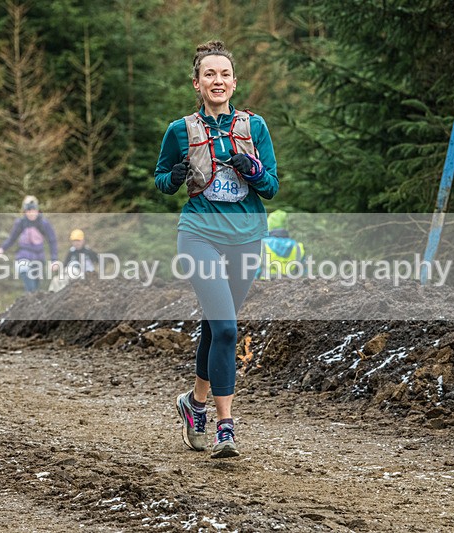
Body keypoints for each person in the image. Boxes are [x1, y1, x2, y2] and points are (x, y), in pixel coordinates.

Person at [155, 40, 279, 458]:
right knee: (226, 328)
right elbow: (160, 181)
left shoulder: (254, 127)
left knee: (216, 326)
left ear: (234, 82)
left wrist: (255, 170)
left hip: (246, 236)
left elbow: (273, 187)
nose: (218, 80)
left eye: (224, 74)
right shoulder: (180, 130)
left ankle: (194, 404)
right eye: (210, 74)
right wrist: (172, 177)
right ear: (197, 83)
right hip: (199, 235)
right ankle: (225, 426)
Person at [0, 196, 58, 293]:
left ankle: (33, 304)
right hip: (23, 255)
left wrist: (54, 260)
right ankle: (30, 297)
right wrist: (2, 248)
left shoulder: (43, 223)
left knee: (36, 288)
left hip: (38, 257)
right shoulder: (21, 223)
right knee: (29, 285)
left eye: (33, 210)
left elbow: (52, 241)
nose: (31, 213)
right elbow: (12, 238)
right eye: (28, 211)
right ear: (25, 211)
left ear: (37, 211)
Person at [258, 209, 306, 279]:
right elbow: (304, 276)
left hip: (264, 287)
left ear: (269, 224)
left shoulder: (261, 245)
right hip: (292, 288)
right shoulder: (298, 247)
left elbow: (253, 273)